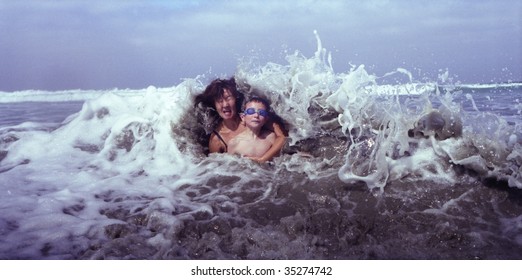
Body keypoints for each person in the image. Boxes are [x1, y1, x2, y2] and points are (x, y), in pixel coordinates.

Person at [194, 77, 286, 162]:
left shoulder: (253, 117)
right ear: (214, 105)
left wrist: (263, 159)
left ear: (235, 99)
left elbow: (282, 136)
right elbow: (219, 170)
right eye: (219, 100)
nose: (225, 104)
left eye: (228, 98)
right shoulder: (217, 140)